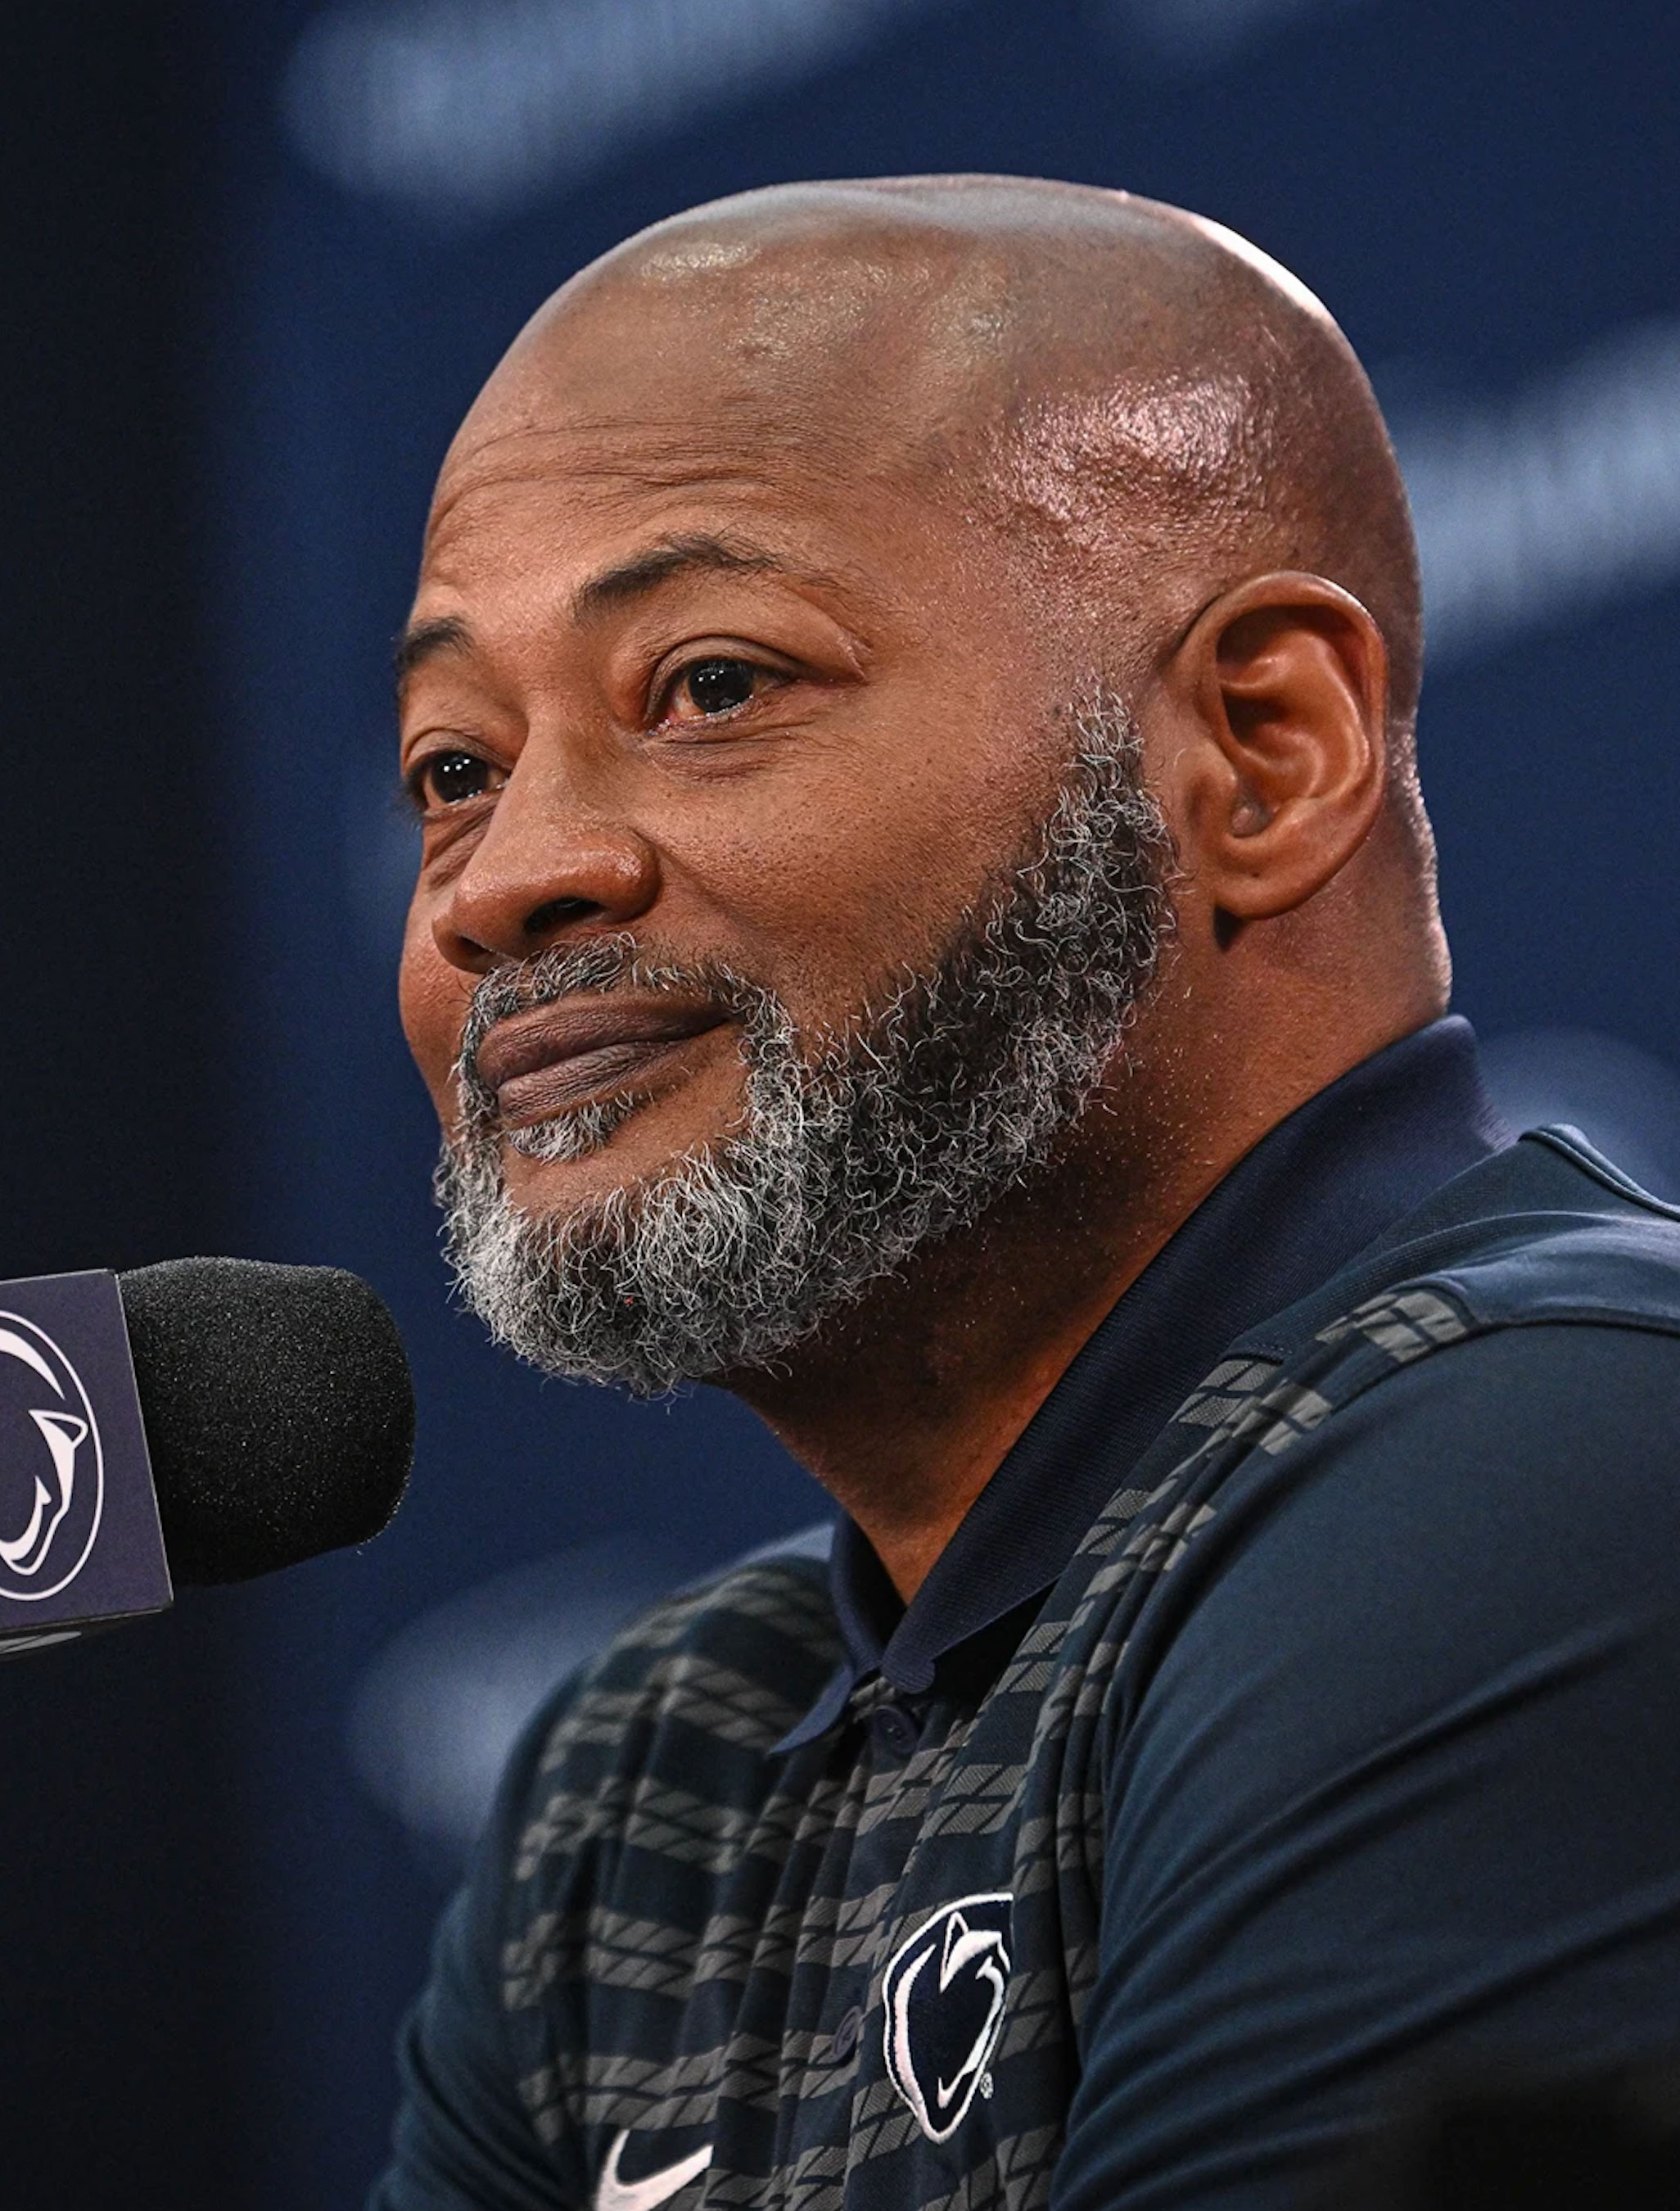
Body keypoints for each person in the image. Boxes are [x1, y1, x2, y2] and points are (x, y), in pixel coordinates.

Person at [374, 178, 1680, 2211]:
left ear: (1263, 751)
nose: (504, 877)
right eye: (451, 767)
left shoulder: (1563, 1465)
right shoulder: (647, 1782)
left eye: (710, 686)